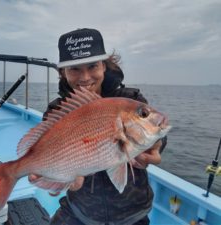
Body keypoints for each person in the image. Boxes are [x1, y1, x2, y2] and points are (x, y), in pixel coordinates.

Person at [30, 28, 167, 225]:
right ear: (63, 72)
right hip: (79, 211)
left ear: (104, 66)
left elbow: (156, 134)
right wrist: (54, 182)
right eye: (74, 69)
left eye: (92, 66)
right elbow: (48, 157)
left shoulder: (131, 100)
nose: (85, 77)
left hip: (132, 213)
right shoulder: (57, 110)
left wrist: (157, 146)